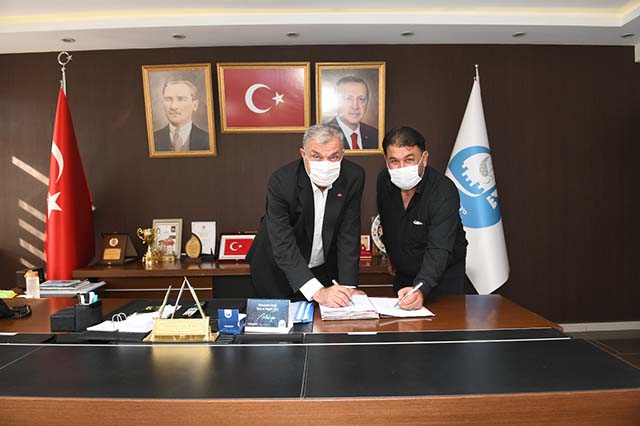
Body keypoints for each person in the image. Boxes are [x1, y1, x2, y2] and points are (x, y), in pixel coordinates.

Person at [247, 124, 365, 307]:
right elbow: (283, 244)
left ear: (342, 154)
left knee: (320, 321)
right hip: (276, 270)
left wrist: (348, 287)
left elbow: (348, 233)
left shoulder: (353, 176)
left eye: (333, 157)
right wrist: (317, 292)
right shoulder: (282, 182)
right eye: (316, 156)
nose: (325, 164)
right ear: (303, 154)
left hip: (321, 269)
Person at [377, 126, 467, 310]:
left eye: (409, 159)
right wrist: (392, 256)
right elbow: (387, 222)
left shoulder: (443, 191)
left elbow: (439, 249)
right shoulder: (384, 181)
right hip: (403, 276)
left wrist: (421, 287)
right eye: (394, 161)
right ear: (386, 160)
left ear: (424, 159)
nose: (402, 168)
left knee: (443, 326)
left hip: (441, 280)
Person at [153, 80, 210, 152]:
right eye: (168, 99)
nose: (173, 106)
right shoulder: (153, 139)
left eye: (181, 99)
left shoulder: (208, 139)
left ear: (195, 105)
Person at [326, 76, 378, 150]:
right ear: (337, 101)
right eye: (348, 98)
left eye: (361, 99)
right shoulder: (324, 133)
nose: (355, 106)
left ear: (367, 102)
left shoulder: (375, 135)